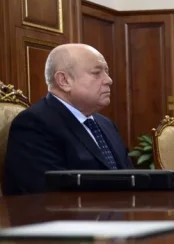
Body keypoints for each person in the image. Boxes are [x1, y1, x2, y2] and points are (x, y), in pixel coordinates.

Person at [4, 43, 132, 195]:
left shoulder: (106, 124)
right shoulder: (34, 125)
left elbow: (131, 178)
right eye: (97, 73)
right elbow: (49, 194)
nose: (109, 80)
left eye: (107, 72)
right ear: (64, 81)